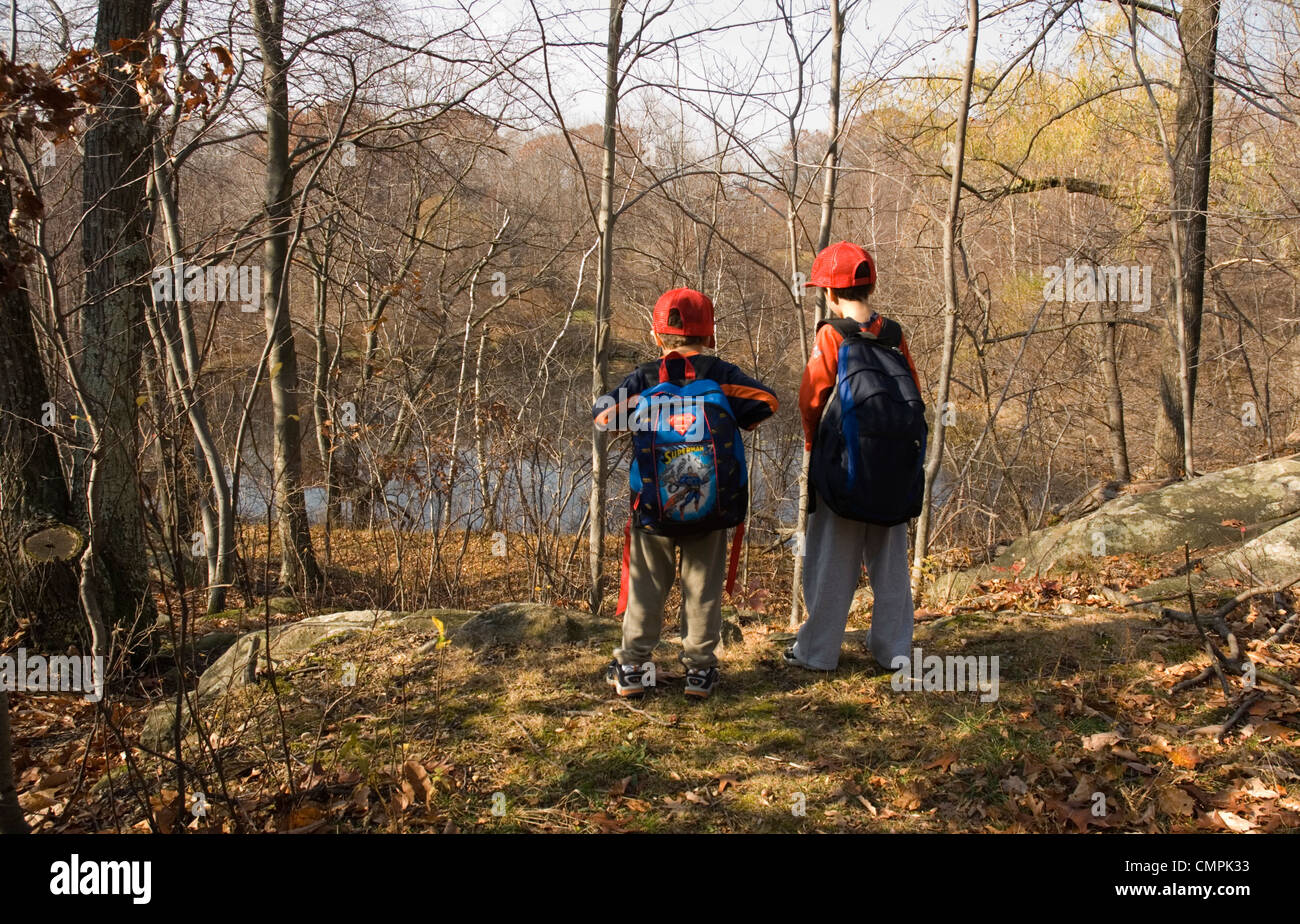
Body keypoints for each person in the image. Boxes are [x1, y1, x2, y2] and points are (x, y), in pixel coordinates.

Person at [594, 287, 778, 698]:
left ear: (659, 336)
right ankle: (699, 673)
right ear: (708, 334)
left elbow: (603, 416)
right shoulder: (722, 374)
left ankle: (633, 669)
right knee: (703, 587)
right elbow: (767, 401)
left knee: (646, 586)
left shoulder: (644, 376)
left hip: (653, 507)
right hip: (710, 506)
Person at [786, 241, 925, 672]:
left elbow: (812, 399)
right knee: (890, 565)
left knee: (831, 560)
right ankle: (894, 651)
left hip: (843, 468)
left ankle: (817, 653)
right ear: (872, 286)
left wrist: (815, 450)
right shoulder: (894, 334)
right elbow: (915, 396)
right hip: (892, 470)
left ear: (829, 293)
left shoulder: (831, 334)